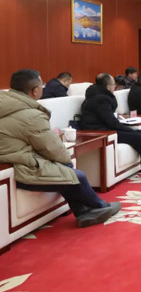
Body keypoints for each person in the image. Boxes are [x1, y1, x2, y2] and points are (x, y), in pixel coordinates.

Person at [0, 69, 121, 227]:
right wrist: (67, 162)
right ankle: (100, 207)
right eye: (41, 85)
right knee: (76, 175)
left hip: (11, 163)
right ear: (35, 91)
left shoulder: (6, 104)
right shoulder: (31, 116)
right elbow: (52, 148)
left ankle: (84, 212)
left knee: (65, 172)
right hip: (19, 168)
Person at [80, 73, 141, 177]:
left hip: (106, 128)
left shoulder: (99, 96)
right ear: (108, 87)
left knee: (140, 133)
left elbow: (109, 120)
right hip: (99, 131)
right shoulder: (100, 99)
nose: (115, 86)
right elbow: (111, 122)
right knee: (137, 136)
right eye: (113, 84)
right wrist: (129, 130)